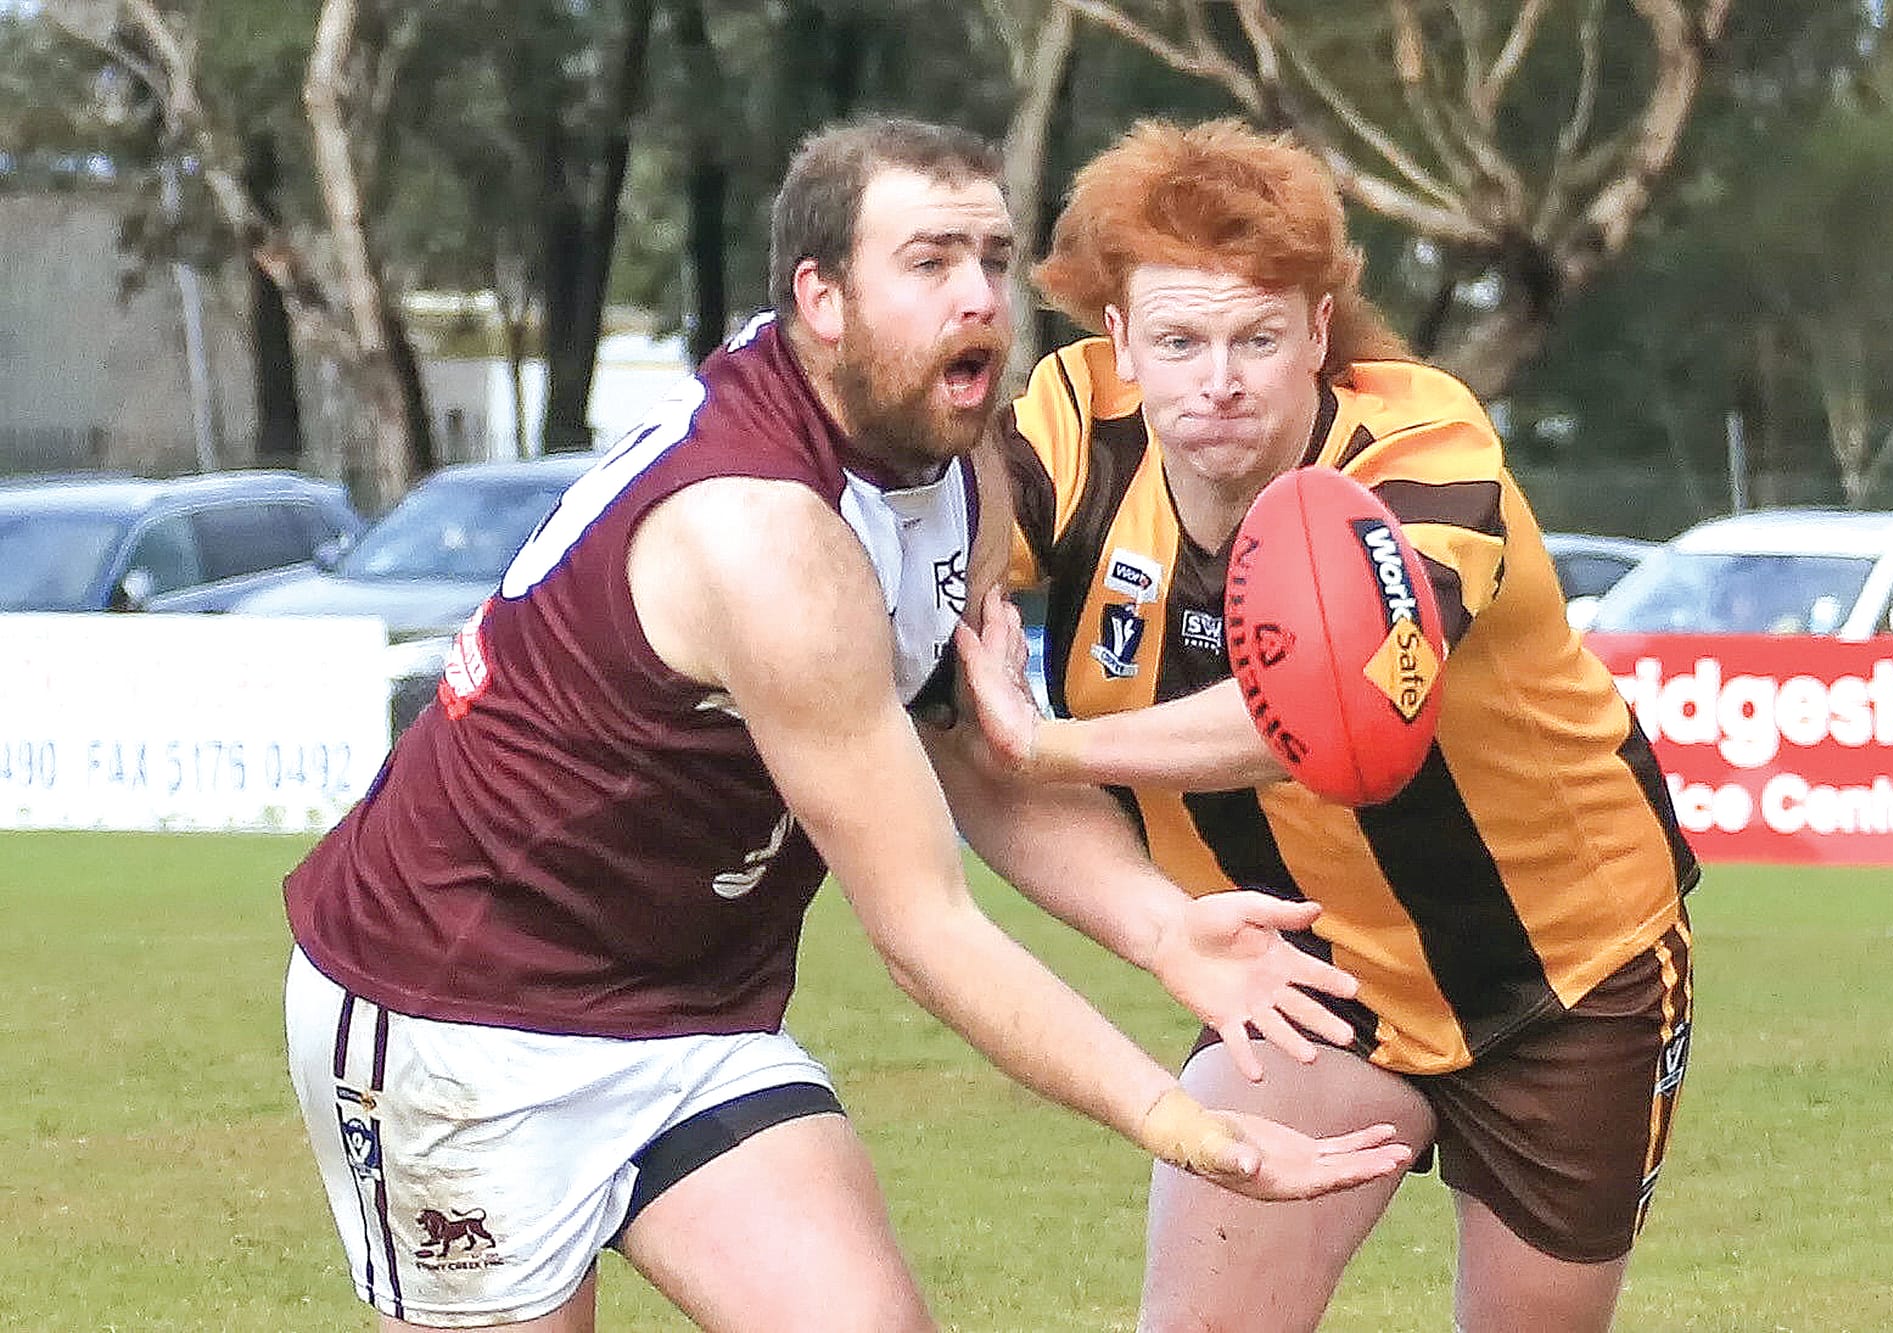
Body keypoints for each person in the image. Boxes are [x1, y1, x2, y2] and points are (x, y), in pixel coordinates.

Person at [281, 116, 1414, 1333]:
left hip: (692, 1011)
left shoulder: (964, 461)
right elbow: (922, 927)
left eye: (990, 257)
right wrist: (1164, 1113)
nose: (978, 296)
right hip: (461, 1011)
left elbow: (965, 748)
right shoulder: (763, 538)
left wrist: (1162, 928)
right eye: (927, 263)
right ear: (819, 299)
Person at [963, 119, 1699, 1333]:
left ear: (1316, 331)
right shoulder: (1071, 429)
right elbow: (934, 546)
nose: (1218, 381)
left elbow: (1332, 699)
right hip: (1307, 981)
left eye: (1256, 336)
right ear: (1120, 345)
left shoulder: (1422, 443)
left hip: (1562, 971)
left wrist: (1042, 746)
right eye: (1180, 340)